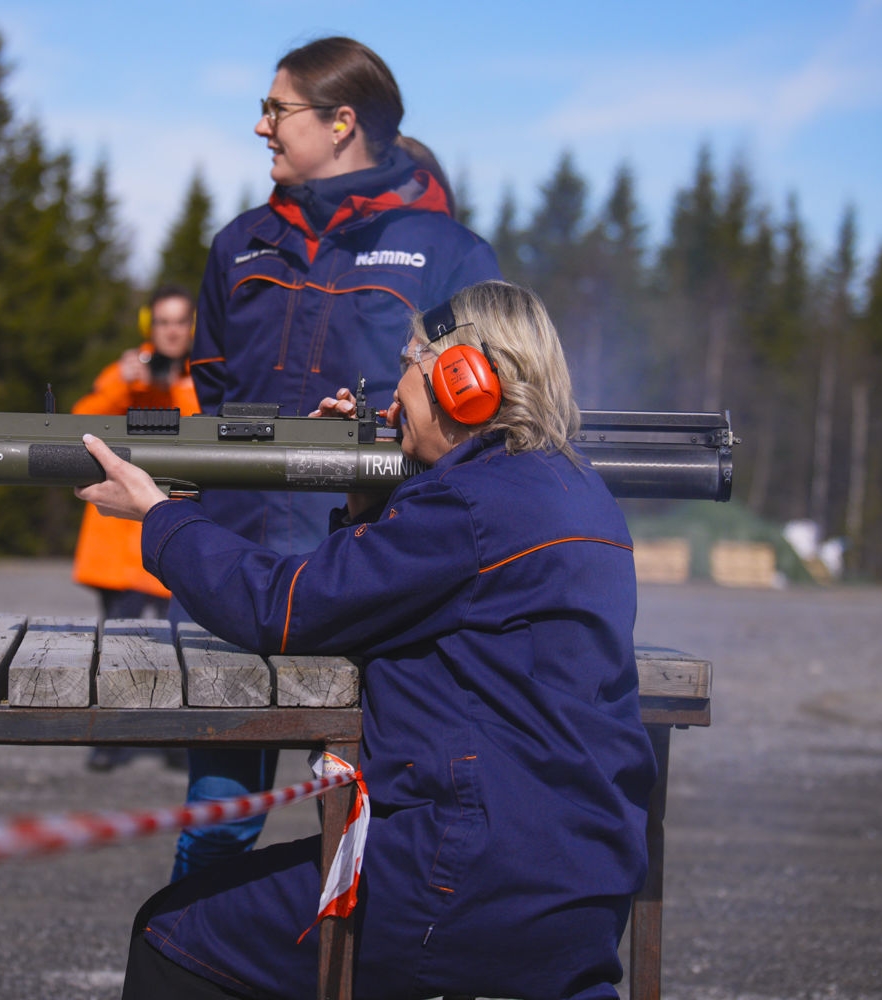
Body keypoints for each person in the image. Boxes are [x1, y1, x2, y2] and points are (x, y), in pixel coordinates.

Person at [78, 281, 656, 1000]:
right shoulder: (577, 493)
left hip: (464, 881)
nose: (393, 391)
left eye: (410, 362)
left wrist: (159, 517)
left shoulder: (464, 507)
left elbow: (282, 608)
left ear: (461, 380)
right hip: (583, 889)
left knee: (175, 931)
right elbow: (400, 603)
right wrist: (365, 501)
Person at [174, 35, 503, 880]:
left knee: (370, 832)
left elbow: (479, 430)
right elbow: (207, 402)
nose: (261, 127)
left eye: (277, 109)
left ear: (342, 121)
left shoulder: (449, 254)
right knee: (214, 831)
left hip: (378, 592)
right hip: (235, 582)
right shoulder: (238, 245)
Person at [71, 285, 199, 771]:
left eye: (180, 321)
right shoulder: (125, 375)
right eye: (163, 322)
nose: (171, 331)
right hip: (119, 539)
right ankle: (111, 737)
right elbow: (79, 426)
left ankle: (174, 738)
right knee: (119, 646)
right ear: (151, 326)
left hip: (174, 534)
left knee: (182, 645)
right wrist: (123, 384)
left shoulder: (201, 381)